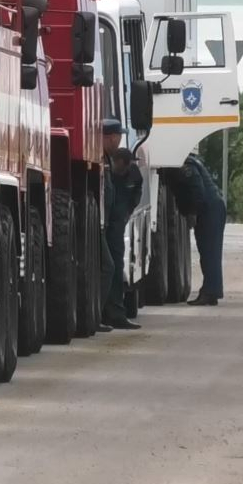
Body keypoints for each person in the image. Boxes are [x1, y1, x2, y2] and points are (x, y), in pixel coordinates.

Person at [102, 119, 143, 329]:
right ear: (111, 136)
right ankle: (108, 313)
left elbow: (136, 191)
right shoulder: (104, 161)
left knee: (114, 266)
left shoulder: (123, 166)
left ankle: (114, 313)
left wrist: (126, 213)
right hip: (103, 224)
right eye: (118, 135)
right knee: (109, 267)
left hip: (115, 224)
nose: (120, 139)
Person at [171, 153, 227, 306]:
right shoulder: (190, 162)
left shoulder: (185, 166)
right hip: (211, 208)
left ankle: (210, 292)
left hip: (210, 210)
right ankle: (211, 291)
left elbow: (198, 190)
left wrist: (192, 213)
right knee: (209, 252)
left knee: (210, 252)